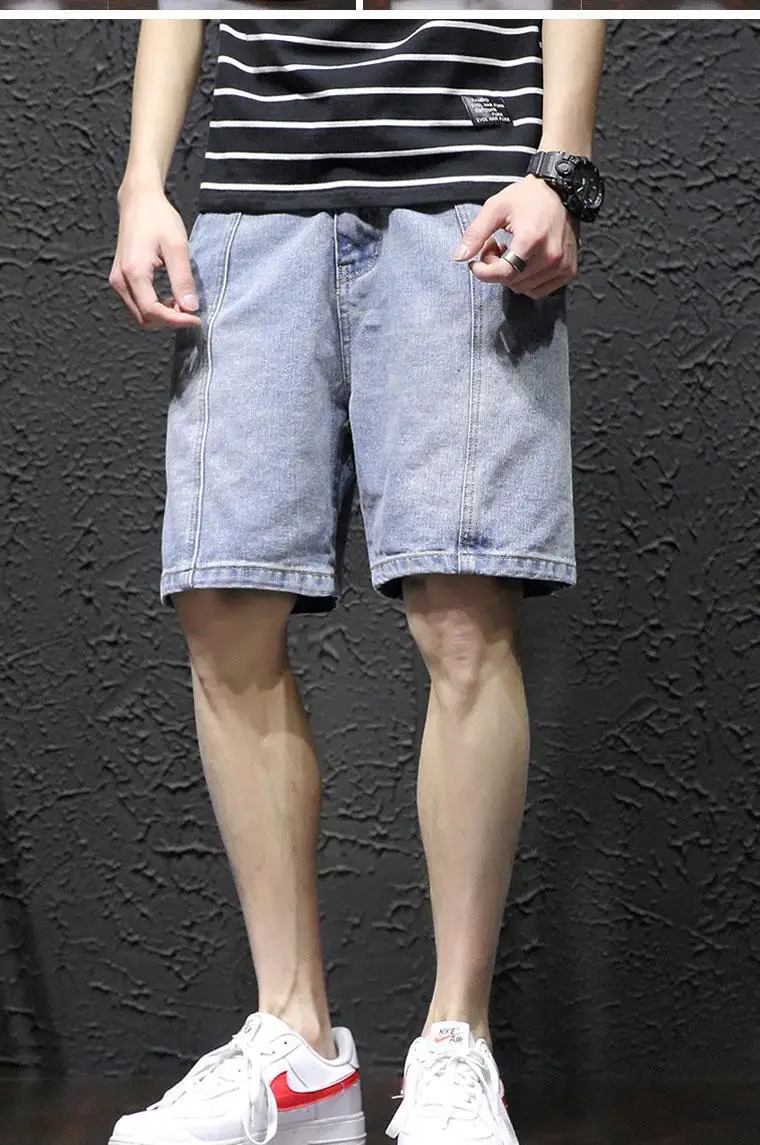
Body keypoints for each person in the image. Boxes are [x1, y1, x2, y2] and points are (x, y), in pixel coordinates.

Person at [108, 16, 606, 1145]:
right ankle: (295, 1049)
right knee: (222, 605)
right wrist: (143, 180)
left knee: (464, 614)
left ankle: (456, 1043)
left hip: (464, 179)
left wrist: (559, 167)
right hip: (253, 196)